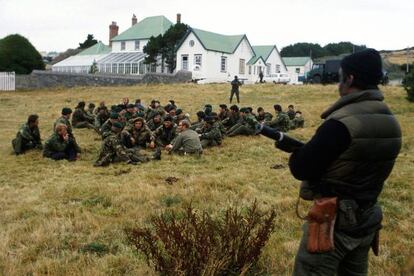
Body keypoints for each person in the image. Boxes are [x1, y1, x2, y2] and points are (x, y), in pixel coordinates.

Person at [259, 48, 401, 275]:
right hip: (367, 217)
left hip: (333, 222)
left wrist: (300, 152)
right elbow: (351, 160)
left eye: (340, 77)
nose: (338, 83)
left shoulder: (341, 123)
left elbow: (302, 168)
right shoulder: (391, 121)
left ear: (350, 78)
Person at [94, 122, 160, 167]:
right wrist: (129, 161)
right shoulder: (113, 138)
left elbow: (121, 148)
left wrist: (128, 150)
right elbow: (120, 151)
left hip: (110, 155)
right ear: (118, 129)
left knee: (131, 151)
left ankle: (148, 156)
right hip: (108, 158)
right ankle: (150, 158)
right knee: (130, 154)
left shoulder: (110, 134)